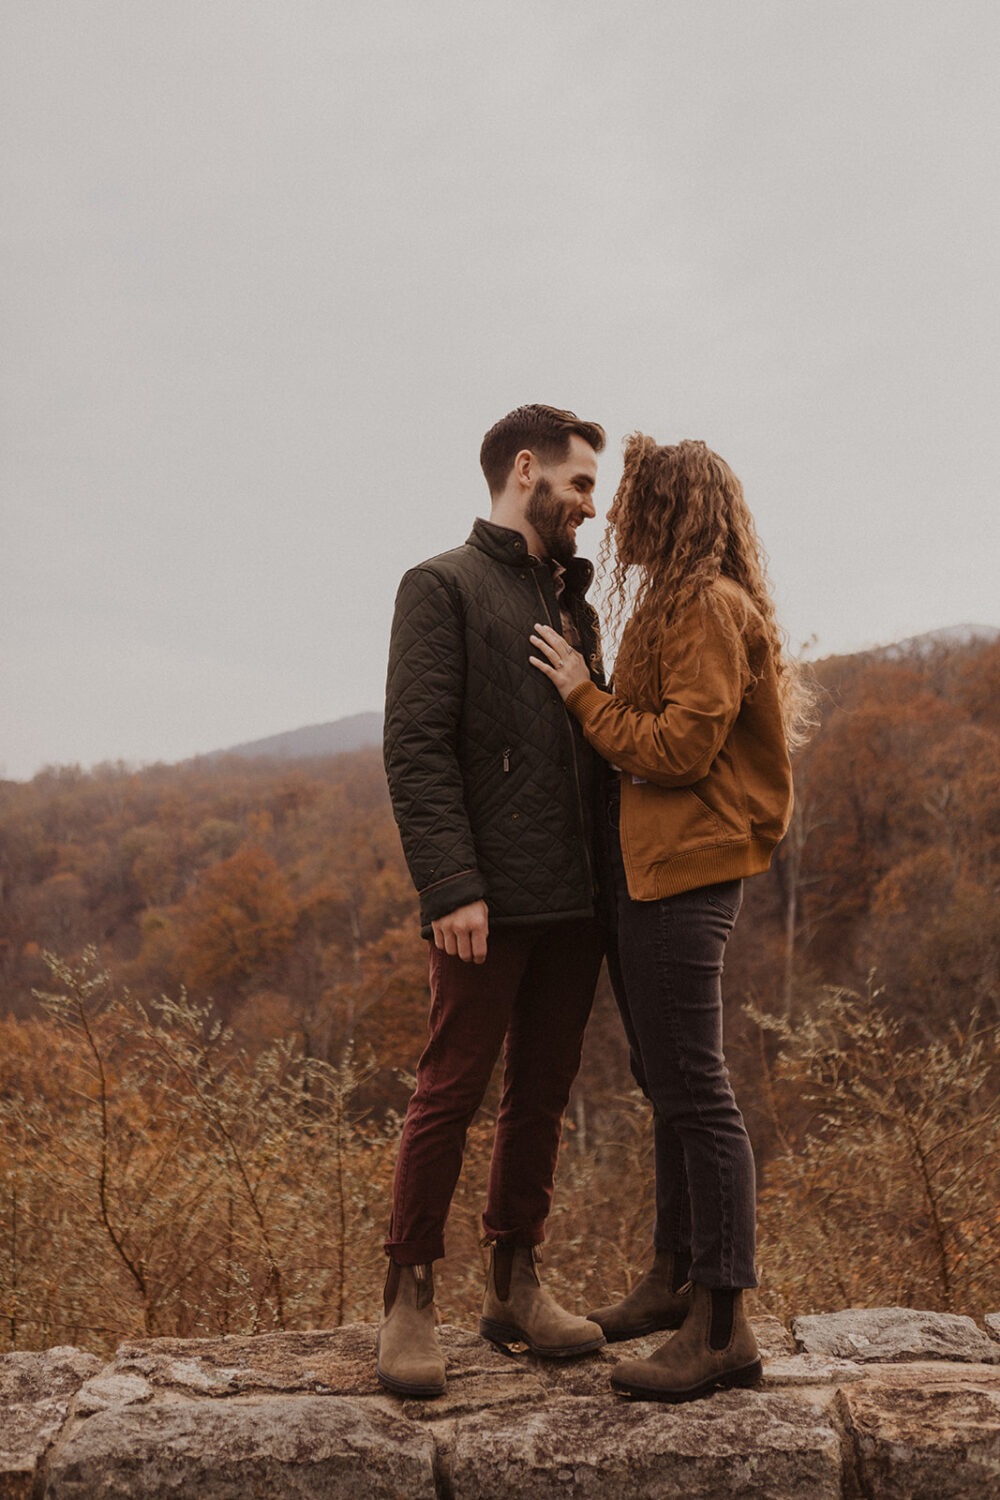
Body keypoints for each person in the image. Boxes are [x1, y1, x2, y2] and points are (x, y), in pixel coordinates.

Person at [530, 434, 810, 1403]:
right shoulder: (674, 602)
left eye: (634, 498)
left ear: (673, 508)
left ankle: (723, 1321)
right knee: (666, 1080)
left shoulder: (705, 607)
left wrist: (581, 697)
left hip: (687, 871)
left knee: (696, 1085)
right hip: (653, 868)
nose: (613, 515)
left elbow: (680, 750)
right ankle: (670, 1279)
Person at [378, 404, 610, 1398]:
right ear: (527, 471)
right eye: (581, 485)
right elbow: (416, 744)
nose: (591, 508)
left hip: (578, 900)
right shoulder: (440, 586)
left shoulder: (573, 605)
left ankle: (515, 1280)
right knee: (450, 1089)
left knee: (543, 1095)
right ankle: (408, 1291)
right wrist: (451, 885)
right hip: (484, 901)